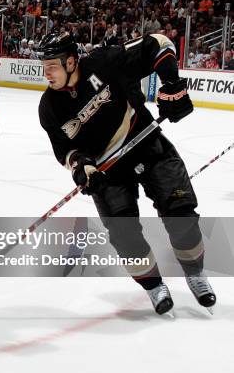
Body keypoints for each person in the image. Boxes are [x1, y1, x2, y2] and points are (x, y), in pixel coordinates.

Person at [36, 32, 216, 315]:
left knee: (181, 213)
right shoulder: (49, 107)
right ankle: (154, 285)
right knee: (123, 235)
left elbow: (159, 43)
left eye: (52, 66)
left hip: (147, 143)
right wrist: (83, 167)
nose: (46, 73)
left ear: (71, 61)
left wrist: (171, 84)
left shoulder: (104, 63)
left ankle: (194, 272)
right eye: (43, 67)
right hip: (107, 171)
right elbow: (65, 150)